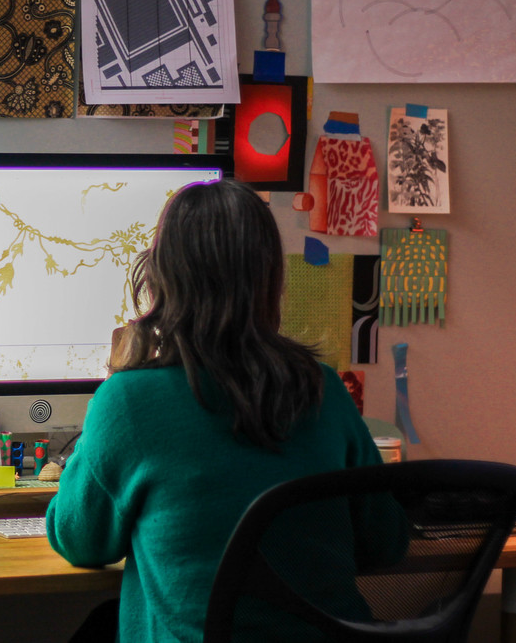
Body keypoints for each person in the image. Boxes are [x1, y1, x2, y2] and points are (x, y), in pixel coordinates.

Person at [45, 179, 386, 642]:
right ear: (272, 279)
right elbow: (386, 542)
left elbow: (81, 541)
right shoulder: (323, 387)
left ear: (161, 278)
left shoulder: (128, 401)